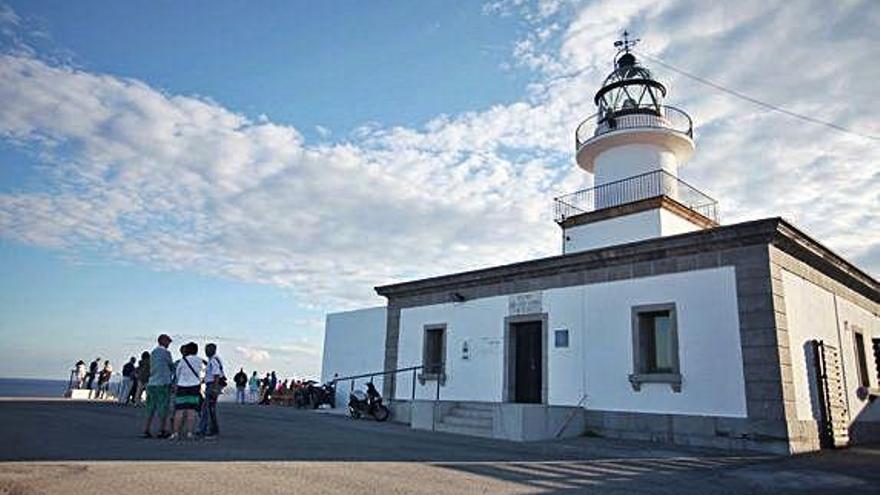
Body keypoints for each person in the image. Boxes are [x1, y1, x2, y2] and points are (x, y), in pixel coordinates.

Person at [142, 334, 174, 438]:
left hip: (152, 383)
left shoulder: (153, 353)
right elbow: (171, 366)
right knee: (163, 408)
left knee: (150, 408)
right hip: (163, 383)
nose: (169, 344)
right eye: (168, 341)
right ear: (163, 341)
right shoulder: (166, 353)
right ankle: (162, 429)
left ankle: (146, 429)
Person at [170, 342, 203, 441]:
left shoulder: (183, 361)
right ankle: (190, 433)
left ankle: (175, 433)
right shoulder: (199, 360)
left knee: (179, 410)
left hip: (182, 386)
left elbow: (178, 373)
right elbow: (201, 370)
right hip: (194, 387)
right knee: (191, 411)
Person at [198, 343, 225, 437]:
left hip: (212, 385)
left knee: (209, 408)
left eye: (208, 349)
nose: (206, 351)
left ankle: (212, 430)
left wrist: (214, 388)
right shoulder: (213, 360)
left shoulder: (213, 361)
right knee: (207, 408)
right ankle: (204, 428)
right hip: (211, 384)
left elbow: (216, 375)